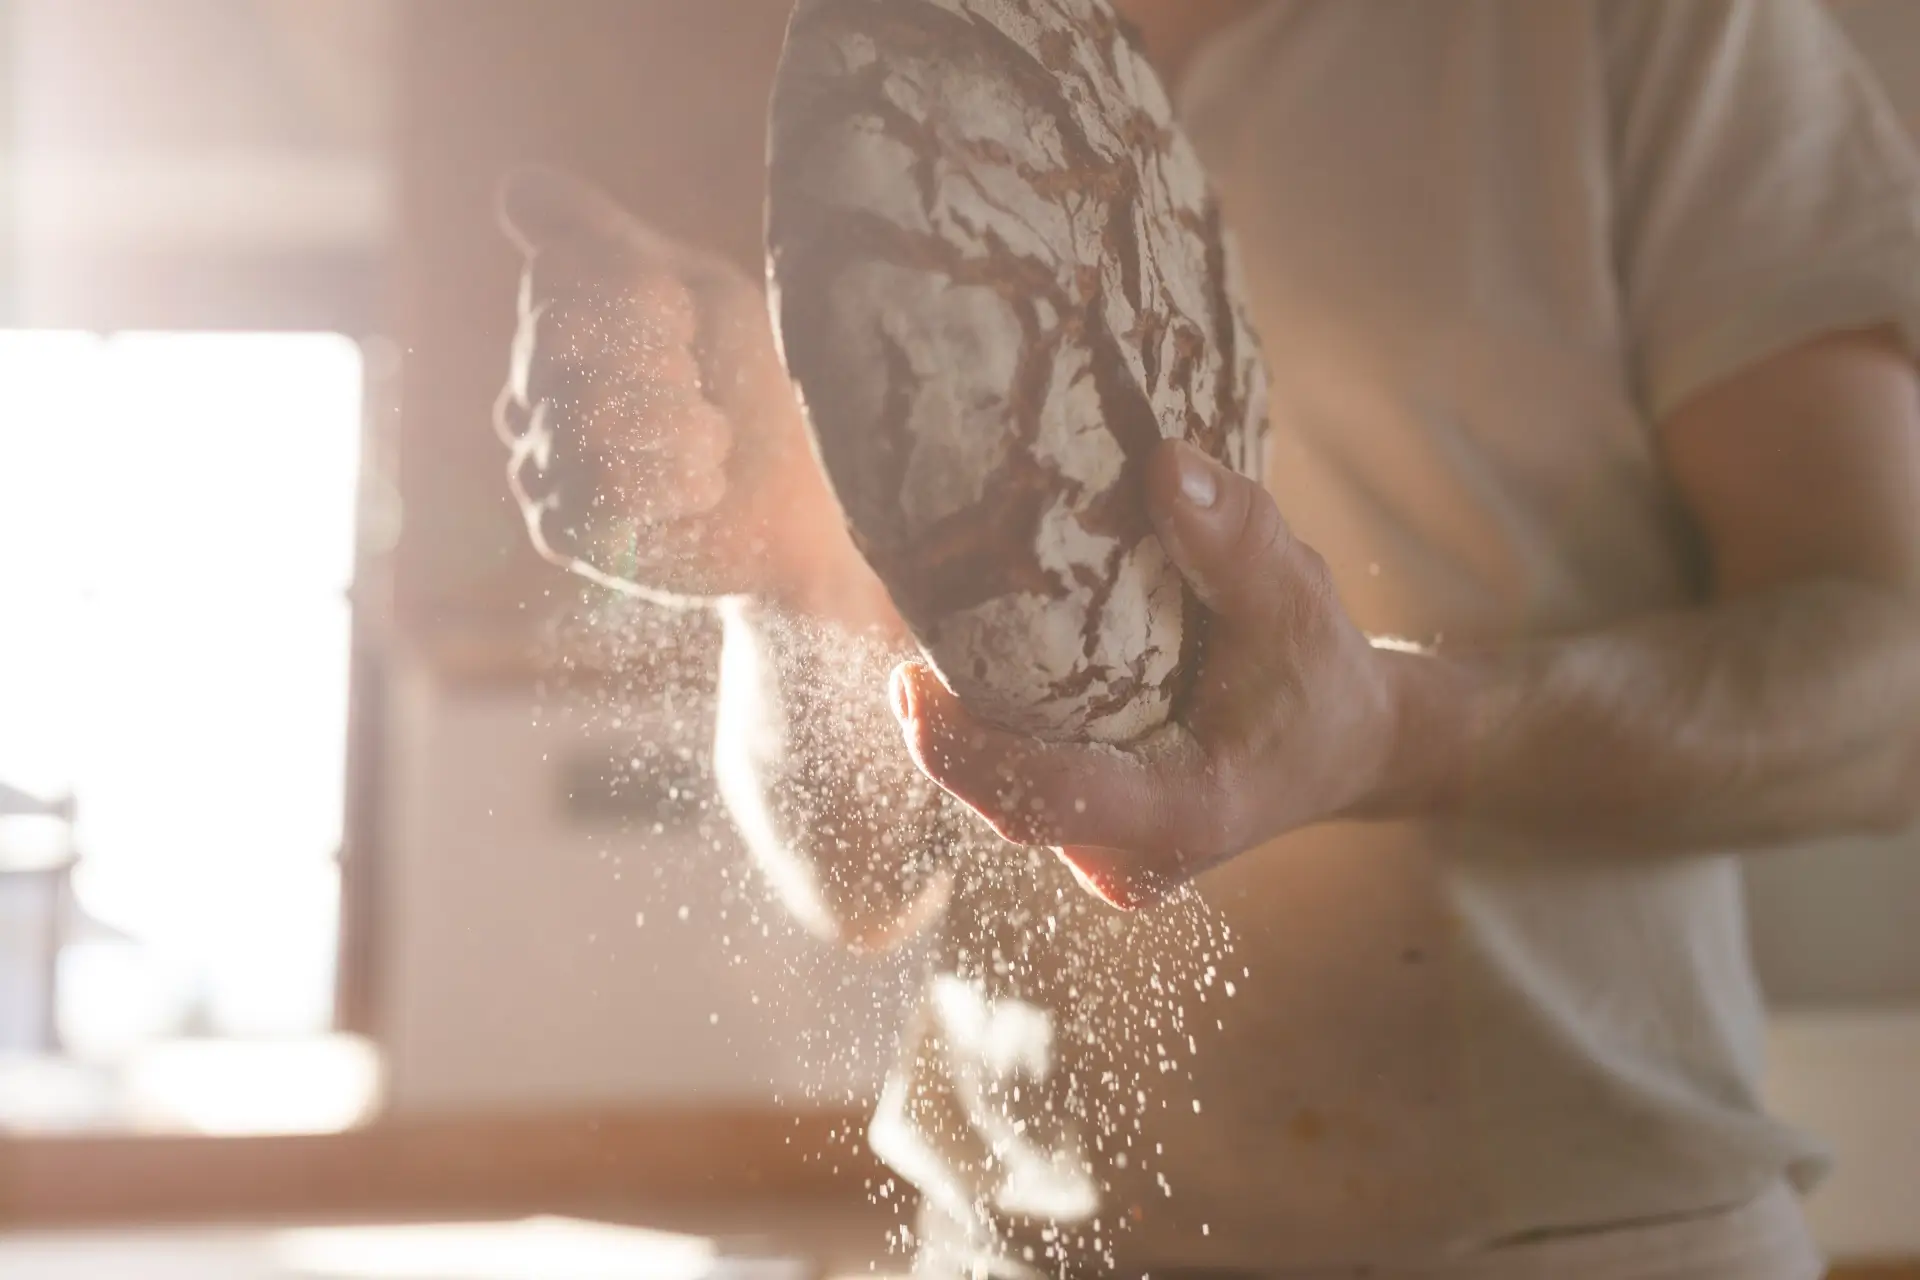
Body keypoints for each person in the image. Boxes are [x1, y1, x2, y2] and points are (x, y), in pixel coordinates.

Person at [494, 2, 1920, 1276]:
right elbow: (863, 873)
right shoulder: (879, 67)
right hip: (1004, 1247)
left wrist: (1403, 735)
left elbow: (1894, 681)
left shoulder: (1653, 32)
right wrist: (781, 563)